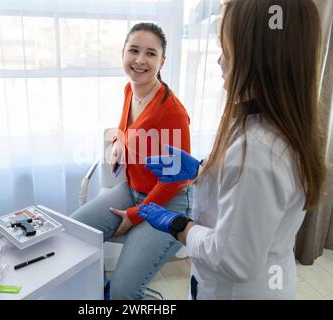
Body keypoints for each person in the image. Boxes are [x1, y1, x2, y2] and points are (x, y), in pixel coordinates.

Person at [138, 0, 325, 299]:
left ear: (258, 58)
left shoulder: (258, 152)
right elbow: (247, 199)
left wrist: (179, 225)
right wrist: (201, 170)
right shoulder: (269, 125)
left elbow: (231, 260)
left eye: (225, 49)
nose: (219, 62)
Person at [70, 22, 193, 300]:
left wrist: (136, 215)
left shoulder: (172, 112)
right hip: (132, 190)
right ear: (123, 53)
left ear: (163, 61)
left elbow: (177, 179)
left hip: (167, 202)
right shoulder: (130, 89)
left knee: (124, 293)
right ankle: (98, 295)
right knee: (73, 237)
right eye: (134, 50)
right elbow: (129, 128)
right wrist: (119, 142)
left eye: (150, 54)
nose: (140, 60)